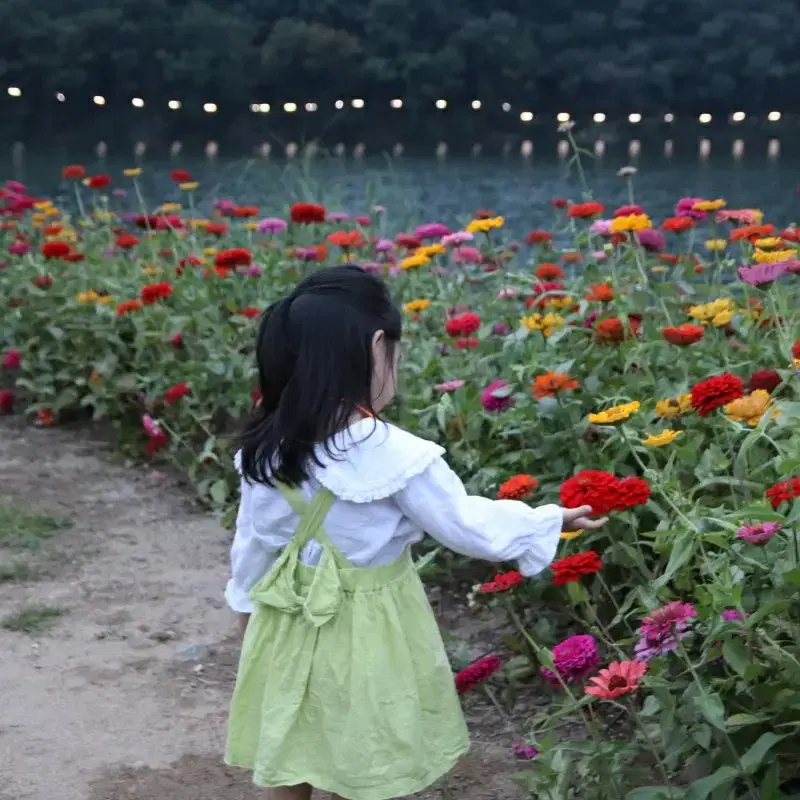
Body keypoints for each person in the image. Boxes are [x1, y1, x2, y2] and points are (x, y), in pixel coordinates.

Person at [224, 265, 606, 800]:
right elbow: (467, 526)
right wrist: (544, 518)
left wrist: (246, 616)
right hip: (369, 630)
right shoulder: (396, 454)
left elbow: (253, 545)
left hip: (285, 623)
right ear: (377, 347)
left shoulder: (262, 450)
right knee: (362, 756)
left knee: (295, 751)